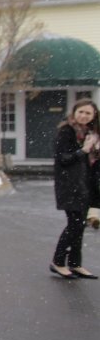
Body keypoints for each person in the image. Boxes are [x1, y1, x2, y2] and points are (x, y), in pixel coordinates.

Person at [49, 98, 100, 279]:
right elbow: (63, 159)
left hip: (85, 185)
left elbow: (92, 163)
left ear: (94, 116)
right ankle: (58, 261)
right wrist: (84, 151)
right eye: (81, 111)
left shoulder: (91, 133)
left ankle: (75, 263)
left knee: (80, 226)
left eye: (88, 113)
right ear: (74, 112)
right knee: (75, 224)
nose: (84, 116)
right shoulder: (67, 131)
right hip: (69, 185)